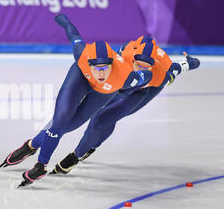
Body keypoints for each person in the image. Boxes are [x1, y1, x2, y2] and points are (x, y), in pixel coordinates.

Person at [0, 14, 154, 187]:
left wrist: (128, 90)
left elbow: (147, 76)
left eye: (105, 69)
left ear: (111, 65)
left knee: (67, 127)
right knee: (60, 120)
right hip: (79, 78)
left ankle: (30, 145)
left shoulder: (125, 75)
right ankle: (41, 165)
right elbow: (73, 34)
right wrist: (64, 21)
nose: (101, 74)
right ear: (90, 63)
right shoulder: (81, 54)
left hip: (103, 93)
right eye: (97, 68)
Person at [50, 36, 201, 175]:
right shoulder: (124, 54)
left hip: (143, 92)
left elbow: (183, 66)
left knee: (103, 120)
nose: (141, 69)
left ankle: (75, 156)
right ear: (133, 58)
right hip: (123, 83)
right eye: (138, 65)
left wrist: (192, 61)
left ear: (153, 65)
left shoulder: (162, 72)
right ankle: (91, 144)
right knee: (97, 113)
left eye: (146, 67)